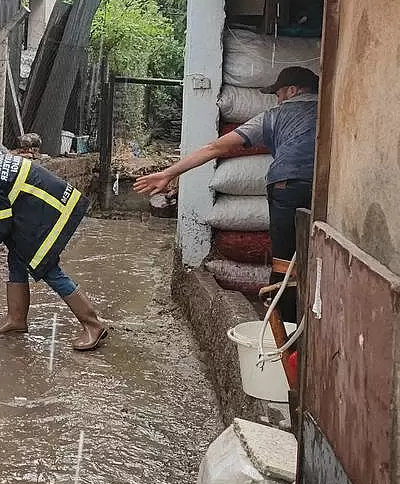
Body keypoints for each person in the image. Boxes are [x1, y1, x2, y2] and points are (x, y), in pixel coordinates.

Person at [135, 66, 319, 323]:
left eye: (278, 94)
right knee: (322, 257)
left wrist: (169, 173)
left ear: (292, 90)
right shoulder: (333, 111)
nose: (277, 99)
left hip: (287, 185)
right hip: (329, 187)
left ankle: (284, 331)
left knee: (284, 264)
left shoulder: (275, 116)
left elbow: (215, 147)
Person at [0, 149, 109, 350]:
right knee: (16, 258)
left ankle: (93, 325)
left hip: (48, 213)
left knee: (47, 268)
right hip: (47, 207)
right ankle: (17, 320)